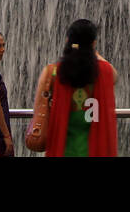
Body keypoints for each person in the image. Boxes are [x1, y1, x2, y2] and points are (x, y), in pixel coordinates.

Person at [32, 19, 118, 157]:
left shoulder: (52, 72)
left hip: (62, 149)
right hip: (94, 149)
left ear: (67, 40)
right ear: (93, 43)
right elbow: (114, 76)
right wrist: (90, 50)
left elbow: (38, 108)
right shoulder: (104, 72)